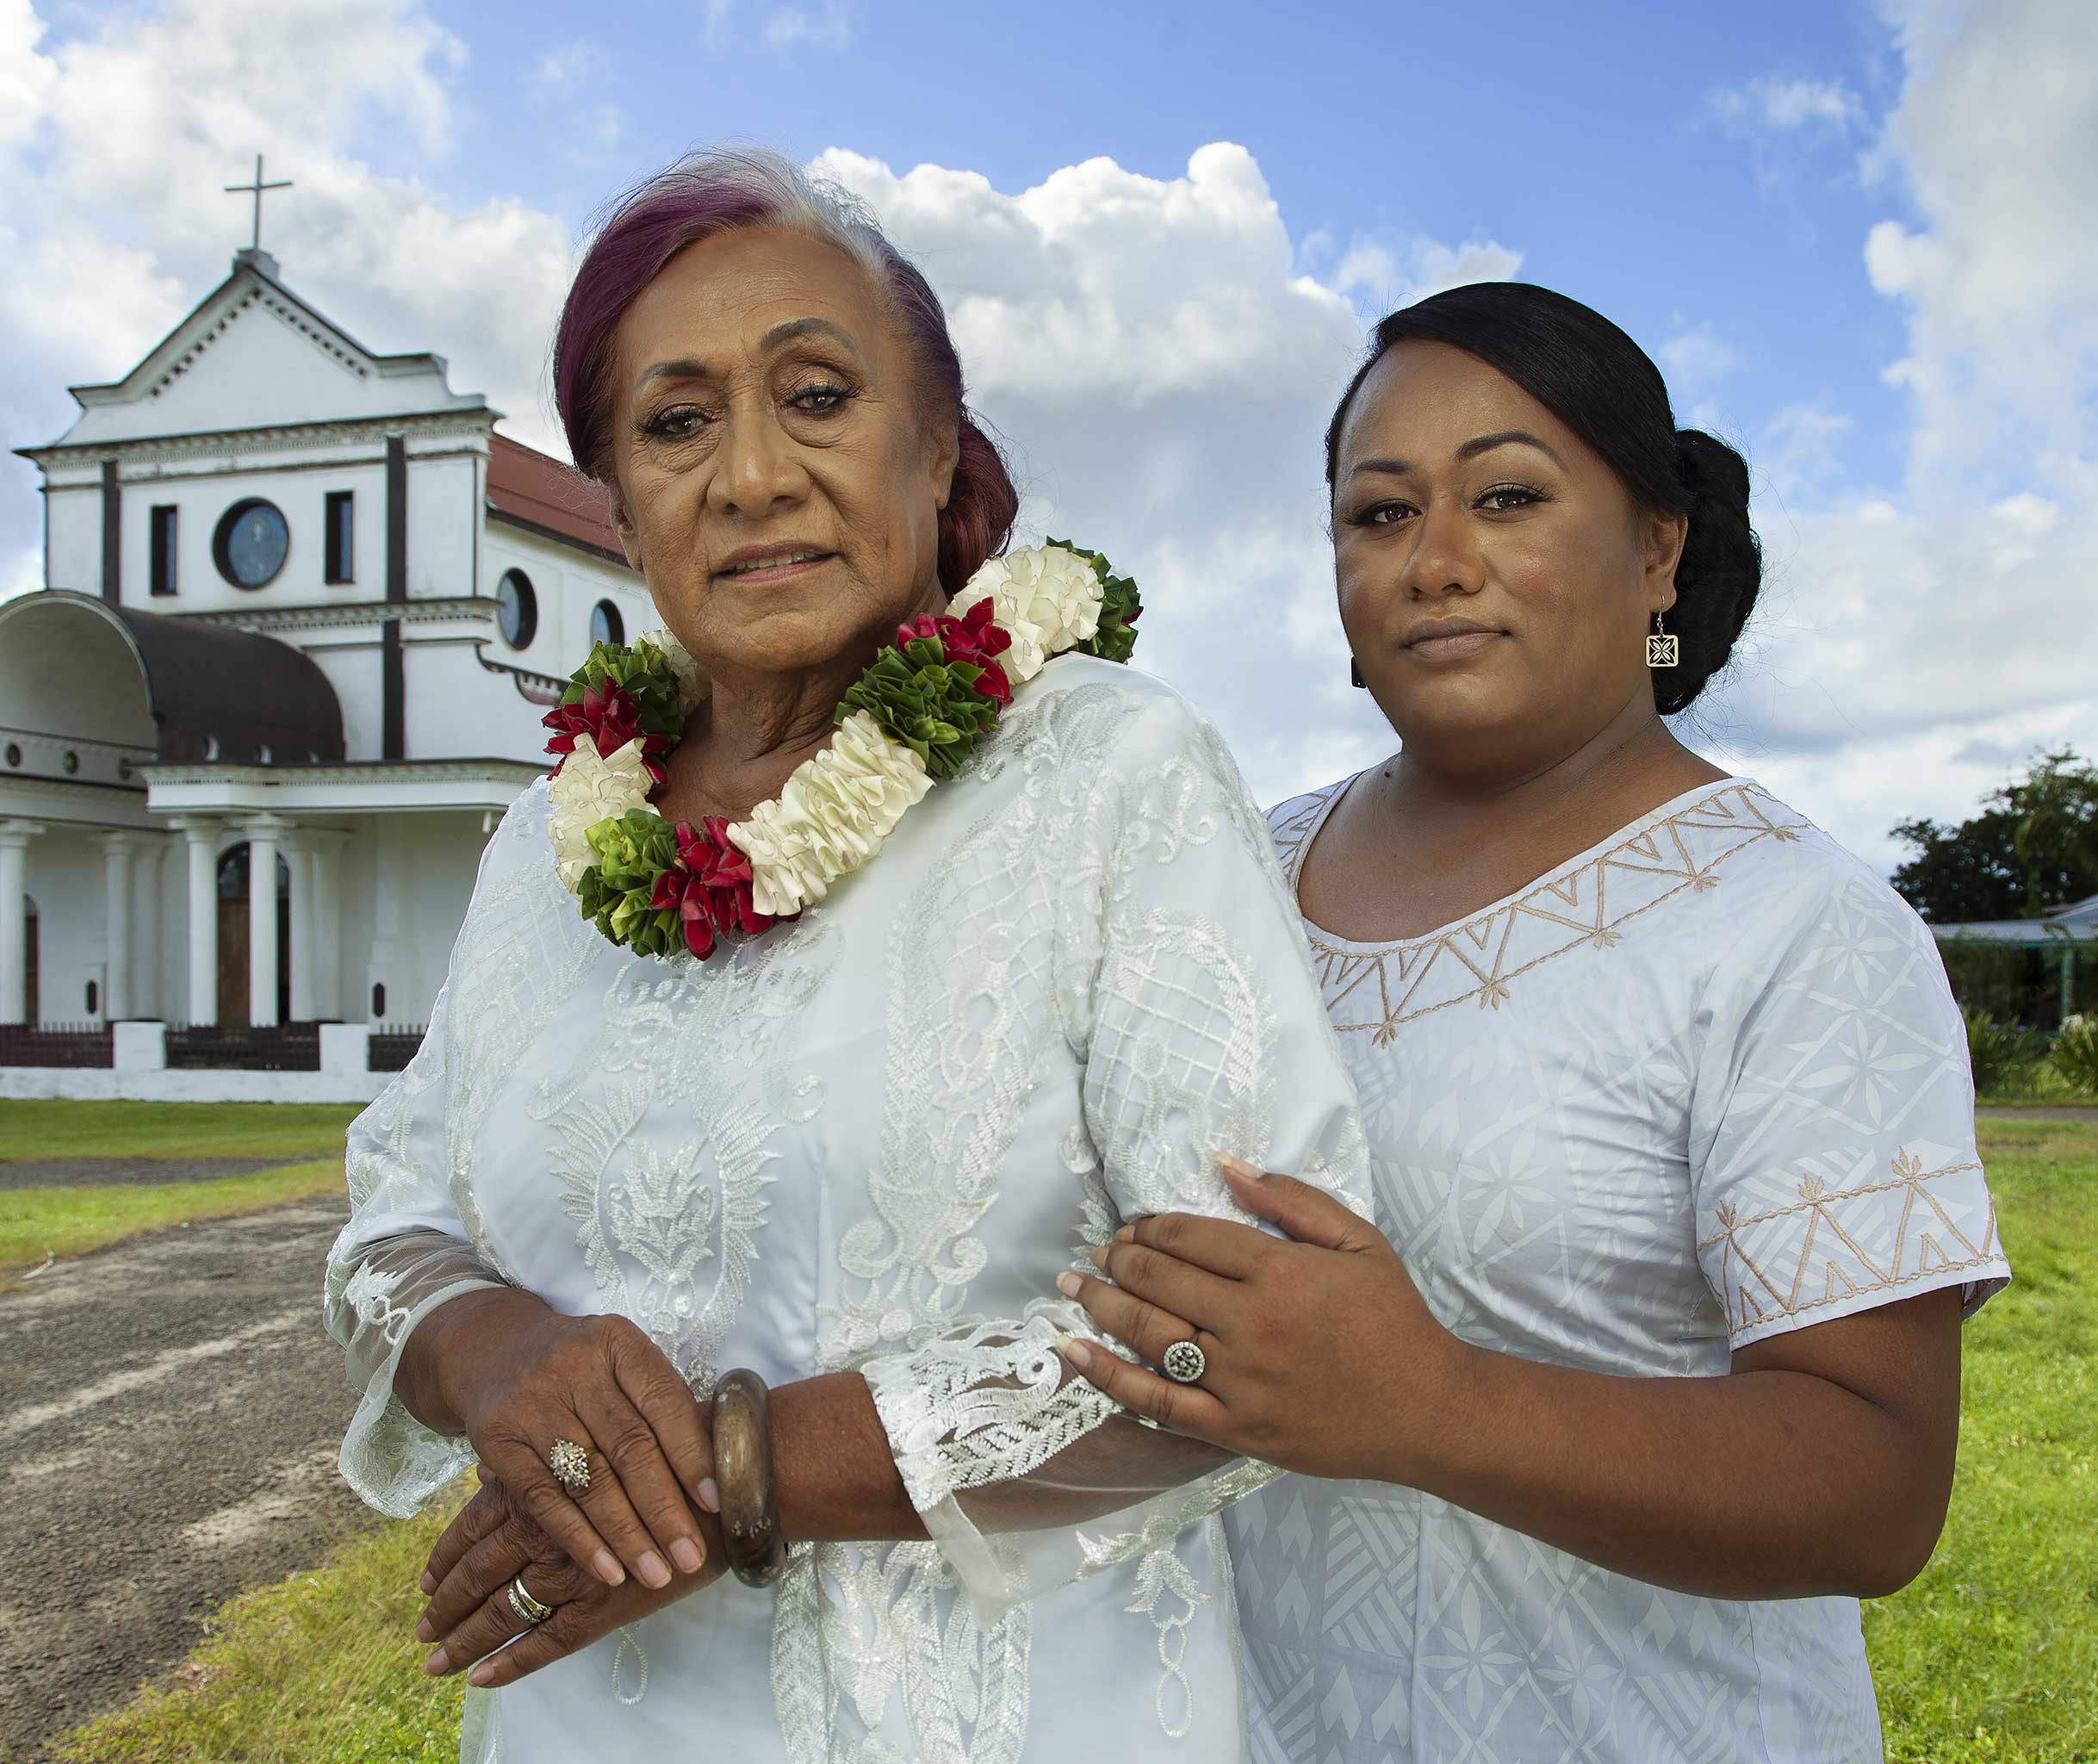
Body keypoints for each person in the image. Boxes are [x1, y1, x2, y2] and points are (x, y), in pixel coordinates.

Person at [324, 148, 1368, 1764]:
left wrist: (730, 1470)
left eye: (815, 395)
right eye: (675, 422)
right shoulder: (549, 840)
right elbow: (396, 1207)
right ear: (613, 493)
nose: (749, 474)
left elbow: (1257, 1318)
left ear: (935, 445)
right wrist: (498, 1352)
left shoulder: (1103, 770)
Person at [1060, 282, 2011, 1763]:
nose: (1436, 562)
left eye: (1505, 496)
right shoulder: (1221, 875)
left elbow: (1876, 1482)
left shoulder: (1789, 923)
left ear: (1655, 551)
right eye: (1379, 516)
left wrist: (1429, 1402)